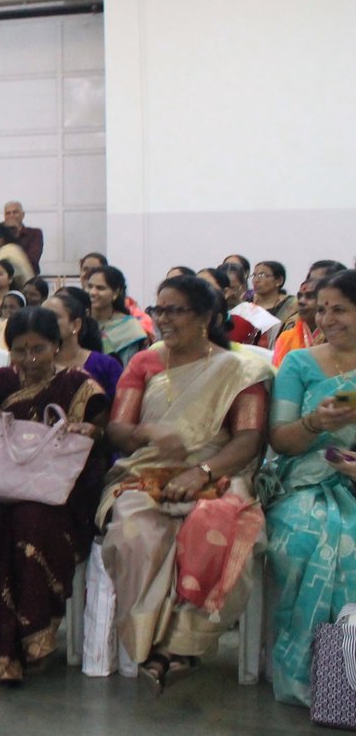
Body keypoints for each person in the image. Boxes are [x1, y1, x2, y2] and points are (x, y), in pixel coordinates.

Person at [98, 274, 271, 695]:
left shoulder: (241, 369)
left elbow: (249, 439)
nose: (163, 320)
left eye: (175, 311)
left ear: (206, 317)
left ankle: (179, 647)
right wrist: (147, 433)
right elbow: (118, 430)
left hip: (219, 474)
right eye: (159, 310)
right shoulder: (145, 363)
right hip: (146, 473)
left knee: (219, 525)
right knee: (136, 533)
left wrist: (204, 472)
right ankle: (150, 644)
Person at [0, 307, 109, 682]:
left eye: (38, 349)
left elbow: (104, 436)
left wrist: (90, 431)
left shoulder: (80, 386)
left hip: (54, 494)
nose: (29, 359)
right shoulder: (4, 379)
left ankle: (29, 640)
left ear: (56, 345)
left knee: (30, 525)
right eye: (20, 350)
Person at [260, 270, 356, 706]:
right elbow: (281, 440)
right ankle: (317, 675)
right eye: (322, 309)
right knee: (306, 536)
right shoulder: (298, 364)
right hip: (303, 482)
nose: (327, 319)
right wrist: (315, 422)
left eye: (340, 310)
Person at [46, 288, 123, 397]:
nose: (44, 323)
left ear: (75, 325)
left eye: (53, 317)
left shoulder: (106, 365)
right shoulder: (34, 365)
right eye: (40, 317)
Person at [85, 265, 149, 365]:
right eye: (89, 286)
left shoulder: (129, 328)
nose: (92, 292)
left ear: (115, 293)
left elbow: (128, 368)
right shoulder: (78, 322)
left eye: (100, 288)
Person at [273, 273, 339, 366]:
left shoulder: (337, 336)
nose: (301, 301)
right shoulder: (286, 338)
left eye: (310, 296)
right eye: (299, 296)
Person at [3, 201, 44, 272]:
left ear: (23, 215)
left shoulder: (35, 233)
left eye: (15, 212)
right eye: (8, 213)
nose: (11, 216)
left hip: (29, 275)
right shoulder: (1, 234)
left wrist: (15, 232)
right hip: (5, 276)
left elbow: (33, 259)